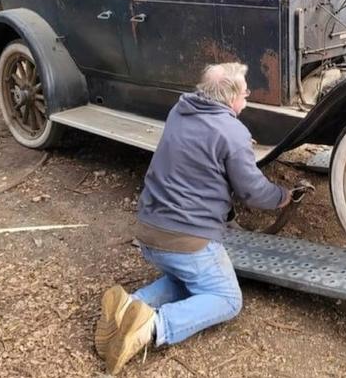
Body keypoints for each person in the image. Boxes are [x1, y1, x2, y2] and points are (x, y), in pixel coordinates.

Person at [95, 62, 290, 375]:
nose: (248, 95)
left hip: (149, 230)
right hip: (186, 241)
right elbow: (253, 192)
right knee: (227, 299)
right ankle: (152, 327)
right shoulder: (232, 131)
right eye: (244, 91)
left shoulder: (179, 111)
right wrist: (282, 196)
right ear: (230, 98)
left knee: (189, 281)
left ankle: (130, 306)